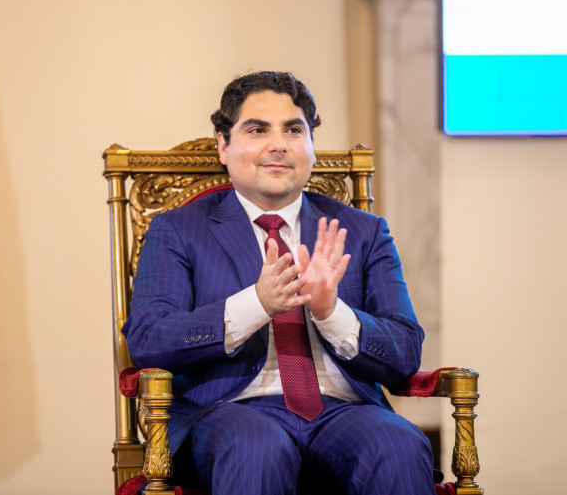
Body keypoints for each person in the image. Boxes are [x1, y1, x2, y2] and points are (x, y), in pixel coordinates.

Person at [122, 71, 435, 495]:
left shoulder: (362, 231)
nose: (279, 145)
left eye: (294, 130)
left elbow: (405, 352)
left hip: (344, 412)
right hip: (226, 411)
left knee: (398, 445)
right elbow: (148, 338)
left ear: (310, 145)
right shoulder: (178, 230)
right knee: (257, 448)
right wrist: (257, 303)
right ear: (223, 145)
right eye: (257, 130)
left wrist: (331, 312)